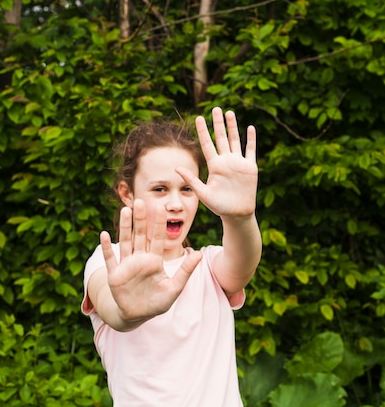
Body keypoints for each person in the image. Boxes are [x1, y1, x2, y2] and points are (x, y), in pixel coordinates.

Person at [81, 107, 262, 407]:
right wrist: (129, 310)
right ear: (126, 193)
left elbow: (243, 263)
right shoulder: (108, 261)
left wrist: (241, 218)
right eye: (160, 189)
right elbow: (113, 308)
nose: (176, 203)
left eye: (187, 188)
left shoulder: (208, 268)